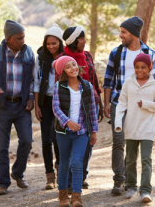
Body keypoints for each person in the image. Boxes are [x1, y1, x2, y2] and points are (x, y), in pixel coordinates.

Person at [103, 16, 155, 195]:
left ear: (133, 34)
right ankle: (119, 180)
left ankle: (131, 181)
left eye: (123, 32)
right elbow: (107, 80)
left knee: (134, 142)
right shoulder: (116, 53)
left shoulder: (151, 55)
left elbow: (154, 83)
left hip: (140, 107)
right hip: (118, 103)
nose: (120, 35)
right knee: (118, 142)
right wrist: (106, 103)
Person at [0, 20, 35, 195]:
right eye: (19, 38)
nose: (22, 41)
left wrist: (31, 96)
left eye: (23, 37)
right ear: (8, 38)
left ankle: (17, 173)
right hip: (1, 105)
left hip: (22, 105)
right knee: (1, 146)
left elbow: (33, 78)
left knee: (26, 141)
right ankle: (2, 183)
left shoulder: (28, 52)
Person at [56, 26, 103, 191]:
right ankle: (68, 181)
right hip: (72, 107)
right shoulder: (62, 58)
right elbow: (59, 84)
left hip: (90, 105)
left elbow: (94, 79)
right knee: (70, 146)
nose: (84, 41)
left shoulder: (88, 55)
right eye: (82, 38)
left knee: (88, 142)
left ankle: (81, 176)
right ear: (75, 41)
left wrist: (100, 102)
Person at [114, 53, 155, 203]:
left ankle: (145, 191)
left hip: (148, 128)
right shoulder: (128, 83)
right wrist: (118, 123)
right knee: (130, 159)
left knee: (146, 159)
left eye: (143, 67)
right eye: (137, 67)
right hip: (131, 127)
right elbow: (121, 103)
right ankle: (130, 187)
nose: (139, 70)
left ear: (149, 68)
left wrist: (147, 104)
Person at [52, 56, 98, 207]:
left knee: (78, 163)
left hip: (82, 132)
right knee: (65, 163)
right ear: (62, 72)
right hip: (63, 133)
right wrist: (67, 122)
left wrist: (94, 131)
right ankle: (63, 197)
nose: (73, 68)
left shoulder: (87, 87)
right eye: (68, 67)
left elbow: (92, 111)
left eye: (74, 64)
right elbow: (56, 108)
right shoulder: (59, 86)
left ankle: (76, 198)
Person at [33, 24, 64, 189]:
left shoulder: (65, 57)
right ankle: (49, 176)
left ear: (60, 41)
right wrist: (37, 105)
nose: (51, 46)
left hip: (61, 103)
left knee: (57, 137)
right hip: (45, 102)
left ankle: (60, 169)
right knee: (46, 140)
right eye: (48, 43)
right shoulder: (41, 59)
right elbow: (37, 82)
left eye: (54, 43)